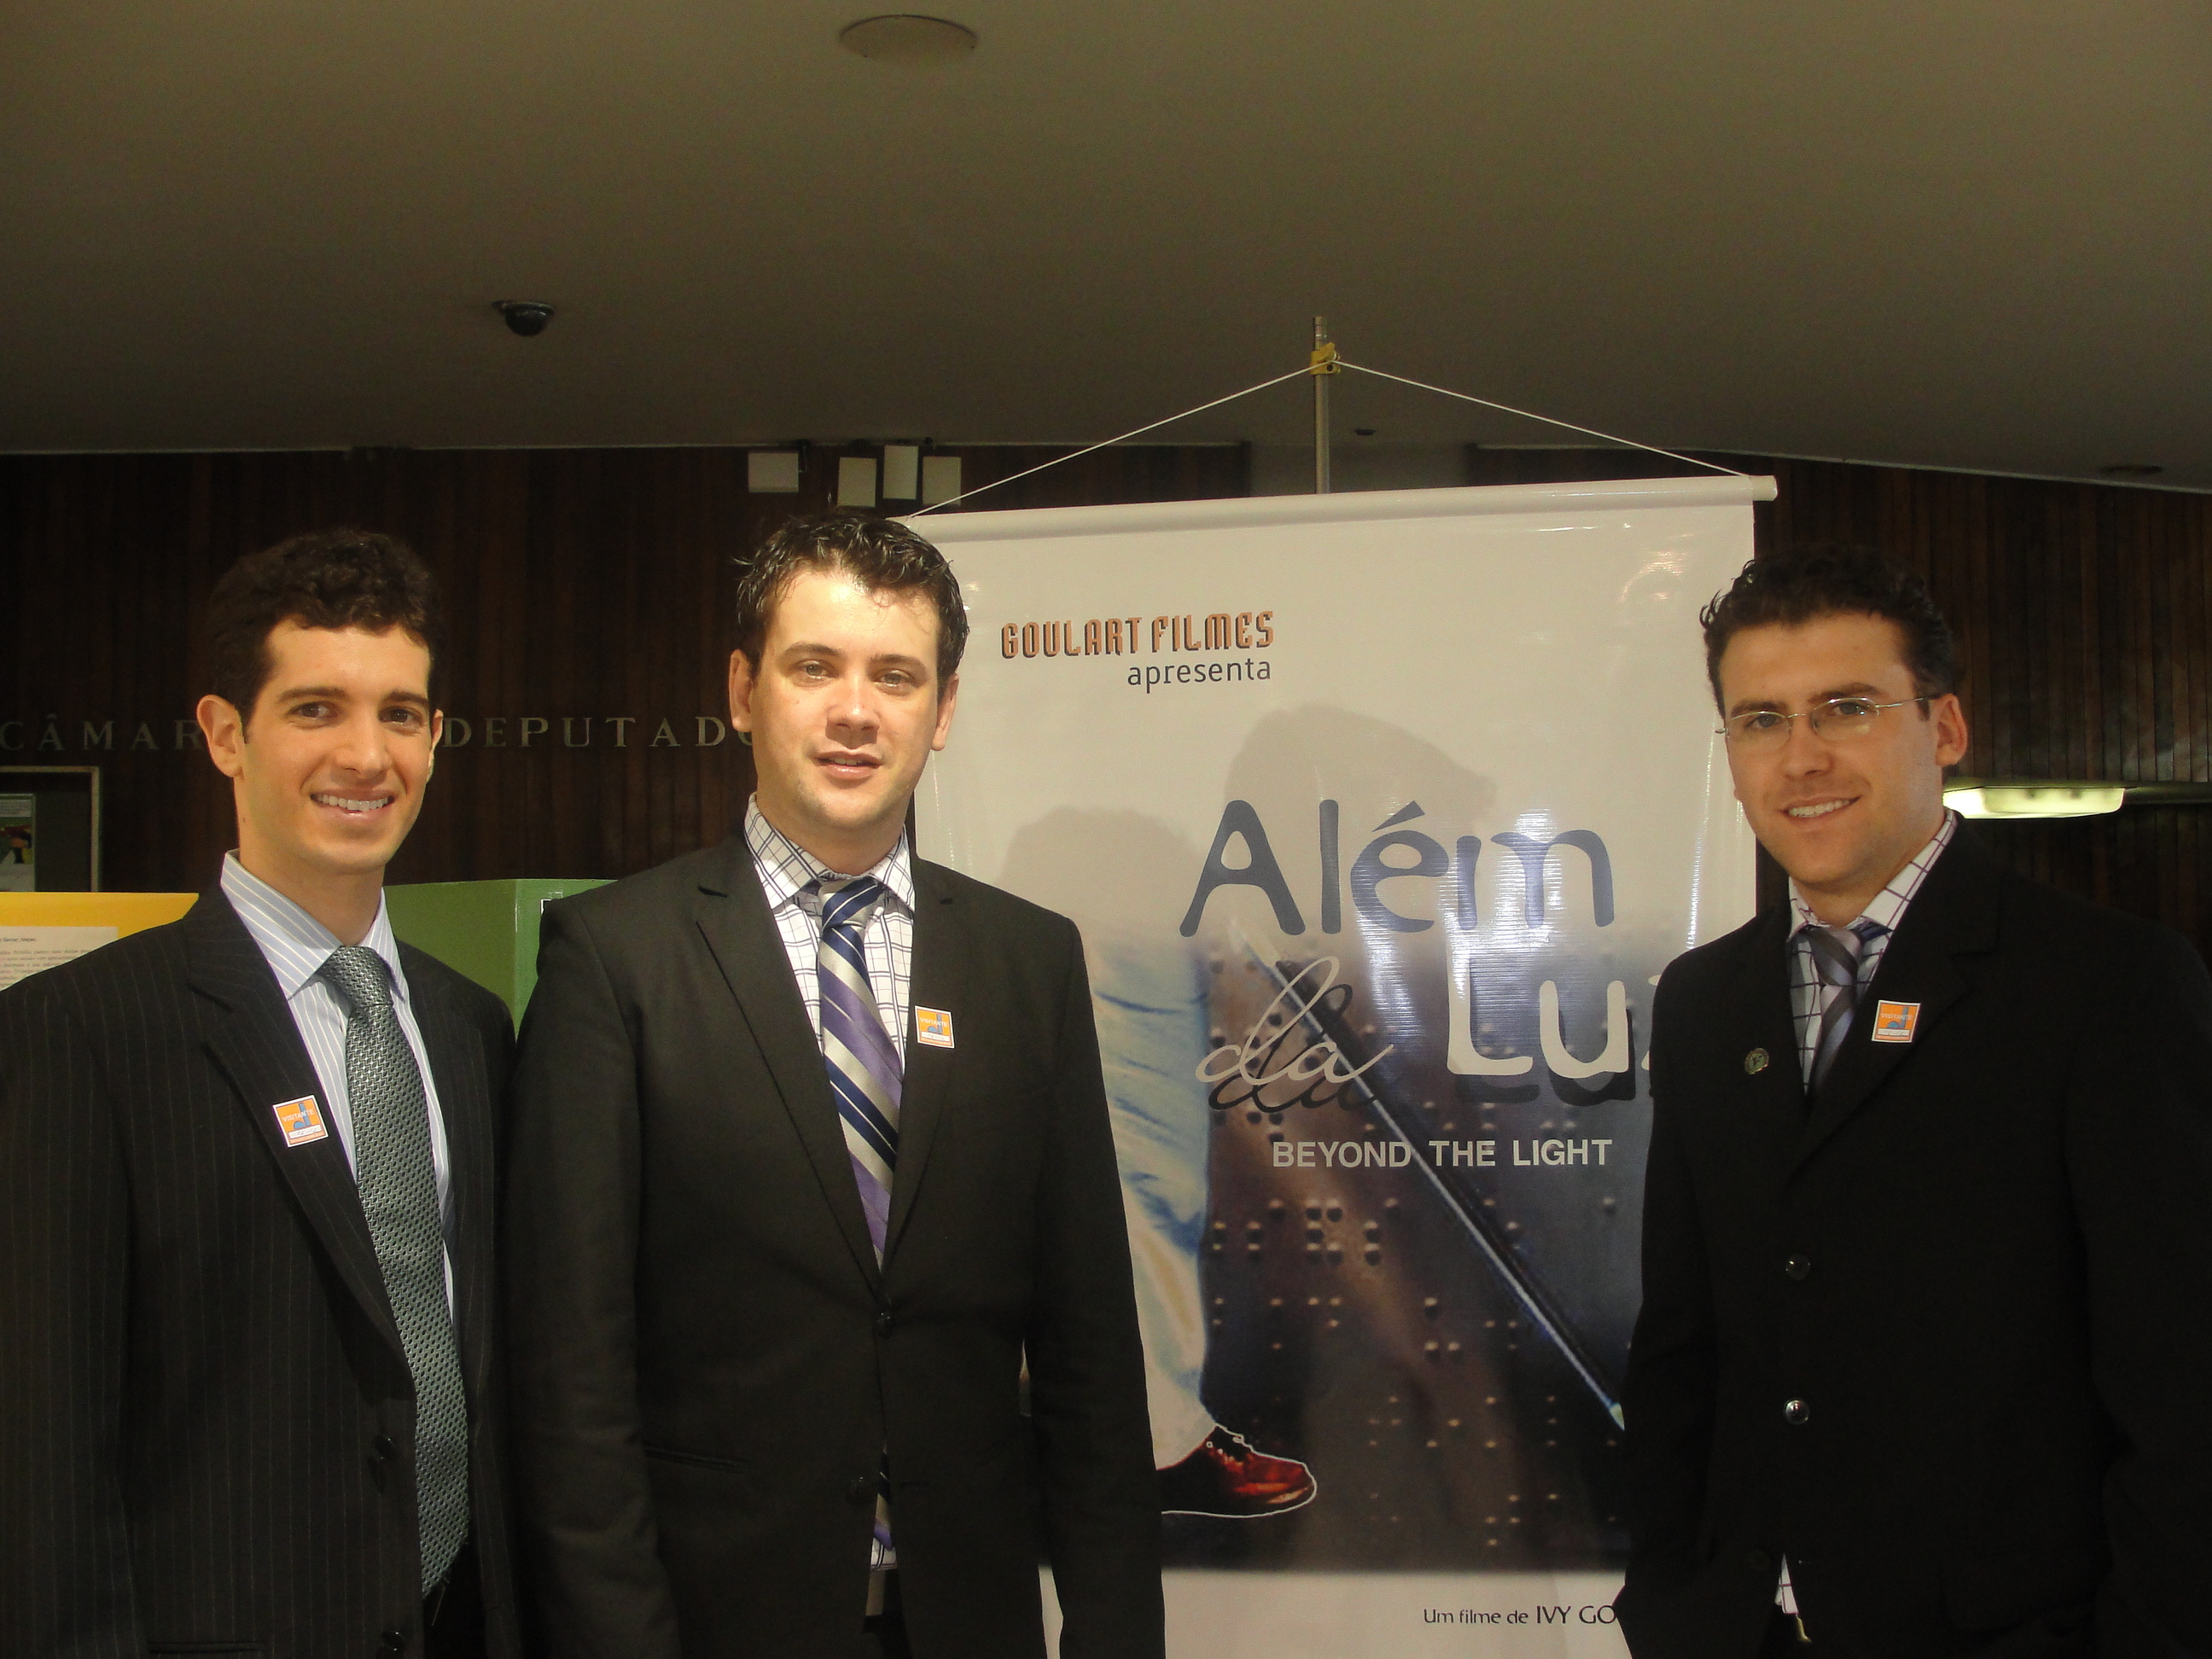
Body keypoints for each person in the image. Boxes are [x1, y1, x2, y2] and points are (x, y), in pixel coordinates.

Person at [504, 512, 1163, 1659]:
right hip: (714, 1624)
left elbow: (1089, 1350)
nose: (855, 711)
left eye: (895, 676)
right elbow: (573, 1375)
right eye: (815, 668)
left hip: (968, 1622)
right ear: (742, 689)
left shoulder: (1028, 962)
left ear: (943, 710)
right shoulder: (615, 959)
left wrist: (1114, 1631)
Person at [1617, 548, 2212, 1658]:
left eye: (1845, 708)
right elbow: (1684, 1348)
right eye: (1759, 720)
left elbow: (2183, 1391)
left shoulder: (2106, 985)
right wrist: (1667, 1601)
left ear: (1944, 729)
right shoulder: (1706, 1002)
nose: (1801, 759)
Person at [0, 530, 523, 1657]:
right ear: (225, 734)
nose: (365, 754)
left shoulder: (474, 1029)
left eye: (400, 714)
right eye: (315, 710)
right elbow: (42, 1454)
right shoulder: (79, 1036)